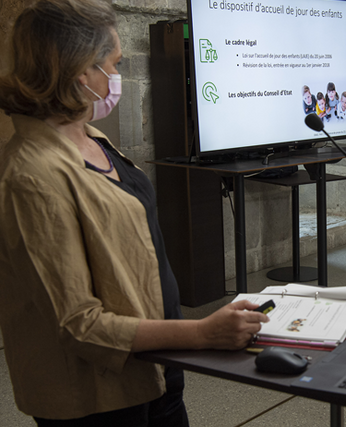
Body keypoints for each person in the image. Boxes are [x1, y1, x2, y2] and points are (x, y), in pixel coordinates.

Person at [0, 0, 269, 425]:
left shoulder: (90, 137)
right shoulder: (31, 175)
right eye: (113, 64)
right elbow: (78, 325)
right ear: (78, 72)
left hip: (157, 362)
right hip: (96, 395)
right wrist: (201, 332)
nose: (117, 77)